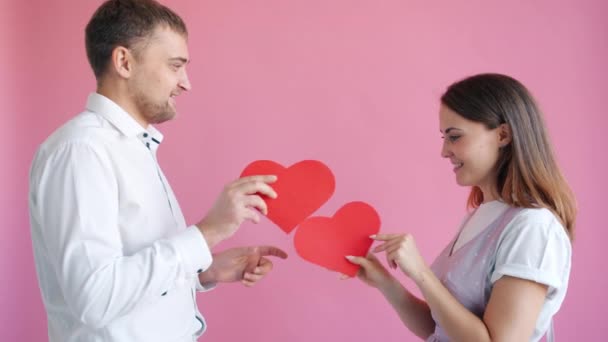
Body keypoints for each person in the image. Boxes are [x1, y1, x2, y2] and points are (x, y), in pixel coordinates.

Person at [28, 0, 287, 341]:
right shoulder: (82, 151)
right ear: (124, 62)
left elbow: (128, 279)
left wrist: (204, 271)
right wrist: (208, 232)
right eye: (175, 66)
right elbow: (96, 298)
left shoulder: (132, 146)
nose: (186, 83)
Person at [346, 73, 576, 341]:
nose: (444, 151)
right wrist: (385, 282)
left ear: (503, 135)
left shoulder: (533, 228)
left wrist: (420, 272)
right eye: (444, 137)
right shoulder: (479, 218)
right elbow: (440, 330)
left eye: (454, 137)